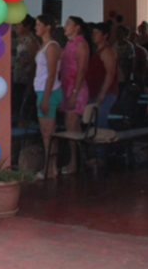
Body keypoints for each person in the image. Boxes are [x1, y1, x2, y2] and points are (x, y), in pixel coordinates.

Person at [58, 16, 90, 175]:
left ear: (77, 27)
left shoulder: (81, 44)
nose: (65, 26)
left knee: (71, 126)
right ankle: (78, 160)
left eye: (68, 24)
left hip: (75, 89)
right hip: (67, 88)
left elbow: (82, 70)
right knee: (72, 126)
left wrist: (74, 94)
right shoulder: (69, 44)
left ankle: (74, 162)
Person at [33, 15, 62, 180]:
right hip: (42, 91)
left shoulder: (51, 46)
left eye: (39, 24)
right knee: (46, 132)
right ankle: (51, 167)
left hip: (47, 92)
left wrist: (46, 98)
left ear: (48, 27)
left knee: (48, 132)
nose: (36, 27)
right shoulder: (43, 45)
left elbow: (52, 74)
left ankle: (49, 168)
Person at [87, 23, 119, 134]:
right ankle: (97, 149)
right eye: (93, 32)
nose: (93, 35)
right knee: (94, 121)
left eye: (97, 33)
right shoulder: (96, 51)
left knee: (100, 121)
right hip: (95, 91)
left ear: (105, 35)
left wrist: (102, 92)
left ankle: (102, 149)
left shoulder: (107, 52)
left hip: (106, 93)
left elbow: (110, 73)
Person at [11, 15, 38, 122]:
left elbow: (34, 64)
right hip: (15, 78)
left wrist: (29, 86)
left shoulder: (30, 42)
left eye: (19, 24)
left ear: (27, 27)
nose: (16, 27)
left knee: (22, 110)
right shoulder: (15, 40)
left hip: (24, 80)